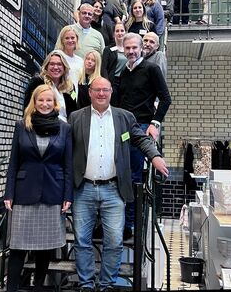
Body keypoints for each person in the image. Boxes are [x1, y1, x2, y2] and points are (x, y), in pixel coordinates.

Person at [69, 76, 168, 292]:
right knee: (82, 241)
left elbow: (141, 139)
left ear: (111, 92)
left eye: (105, 90)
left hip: (114, 190)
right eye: (97, 90)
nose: (102, 94)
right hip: (83, 188)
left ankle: (105, 285)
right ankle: (86, 284)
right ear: (90, 93)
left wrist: (155, 156)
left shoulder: (124, 117)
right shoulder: (76, 118)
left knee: (114, 241)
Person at [4, 84, 73, 292]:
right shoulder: (21, 125)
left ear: (55, 104)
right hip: (24, 192)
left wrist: (67, 194)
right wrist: (9, 193)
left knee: (45, 247)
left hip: (53, 192)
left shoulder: (65, 128)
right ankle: (12, 288)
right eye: (40, 100)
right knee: (17, 247)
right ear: (34, 103)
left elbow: (67, 164)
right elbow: (13, 162)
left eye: (49, 100)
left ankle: (38, 287)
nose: (44, 104)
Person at [118, 33, 171, 238]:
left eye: (134, 48)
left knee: (133, 176)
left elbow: (166, 99)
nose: (131, 51)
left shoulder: (152, 69)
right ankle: (118, 220)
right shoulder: (124, 72)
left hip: (140, 128)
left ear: (142, 49)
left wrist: (155, 124)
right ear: (123, 49)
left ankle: (129, 224)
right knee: (120, 174)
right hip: (122, 128)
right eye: (127, 48)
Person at [24, 51, 77, 122]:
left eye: (59, 64)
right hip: (41, 126)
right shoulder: (38, 82)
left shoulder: (70, 87)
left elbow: (74, 111)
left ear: (64, 68)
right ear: (46, 67)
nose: (55, 67)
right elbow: (28, 106)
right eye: (52, 64)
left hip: (65, 129)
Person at [101, 22, 127, 105]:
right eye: (117, 31)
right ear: (113, 34)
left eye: (122, 31)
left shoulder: (130, 49)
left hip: (126, 82)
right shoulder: (108, 49)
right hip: (113, 82)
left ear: (126, 32)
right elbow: (103, 68)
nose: (120, 33)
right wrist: (107, 84)